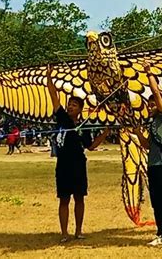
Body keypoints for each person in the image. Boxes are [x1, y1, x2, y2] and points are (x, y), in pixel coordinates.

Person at [46, 65, 110, 243]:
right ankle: (64, 233)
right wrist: (49, 78)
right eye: (69, 104)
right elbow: (53, 97)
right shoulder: (63, 119)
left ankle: (79, 231)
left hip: (79, 165)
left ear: (80, 109)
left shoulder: (85, 126)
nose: (70, 107)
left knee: (79, 198)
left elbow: (91, 146)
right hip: (63, 165)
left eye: (74, 105)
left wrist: (104, 134)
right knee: (64, 199)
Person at [133, 62, 162, 252]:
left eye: (153, 103)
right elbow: (146, 145)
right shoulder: (152, 123)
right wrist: (137, 132)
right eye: (149, 104)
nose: (151, 106)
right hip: (152, 165)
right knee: (156, 203)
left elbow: (157, 94)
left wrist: (149, 74)